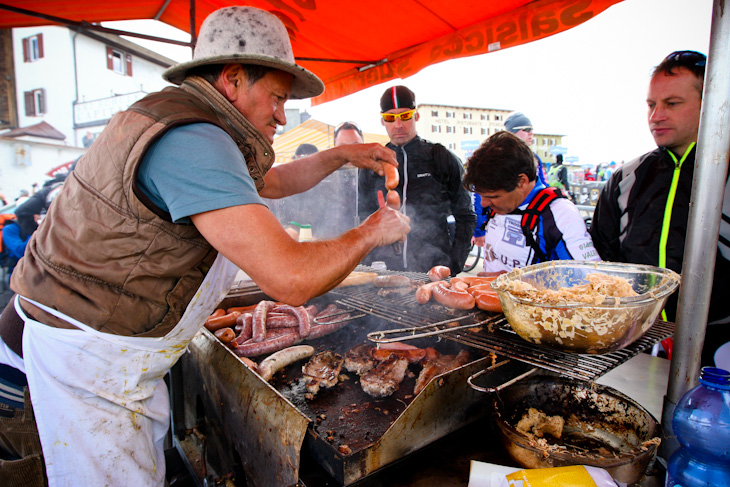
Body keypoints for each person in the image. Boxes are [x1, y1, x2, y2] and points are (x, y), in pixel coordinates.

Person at [0, 6, 410, 486]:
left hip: (97, 351)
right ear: (233, 78)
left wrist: (341, 155)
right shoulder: (193, 139)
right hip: (86, 365)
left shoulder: (191, 122)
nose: (282, 113)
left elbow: (270, 182)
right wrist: (371, 231)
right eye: (277, 97)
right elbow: (291, 278)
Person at [591, 50, 730, 367]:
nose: (656, 116)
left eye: (672, 103)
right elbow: (603, 258)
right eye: (651, 105)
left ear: (711, 102)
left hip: (719, 349)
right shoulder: (625, 178)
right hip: (637, 339)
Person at [358, 85, 475, 276]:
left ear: (416, 116)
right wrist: (367, 261)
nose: (398, 125)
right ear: (382, 121)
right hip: (384, 270)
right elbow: (362, 218)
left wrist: (454, 264)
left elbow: (466, 216)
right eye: (390, 118)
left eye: (405, 116)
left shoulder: (440, 158)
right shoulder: (372, 165)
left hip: (432, 268)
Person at [463, 131, 600, 273]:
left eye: (493, 197)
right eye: (481, 195)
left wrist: (513, 283)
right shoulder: (498, 204)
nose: (484, 204)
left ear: (521, 182)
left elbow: (591, 282)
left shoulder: (560, 214)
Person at [504, 112, 548, 186]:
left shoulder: (534, 157)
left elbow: (544, 184)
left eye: (532, 129)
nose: (531, 133)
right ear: (513, 132)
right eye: (527, 129)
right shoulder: (500, 157)